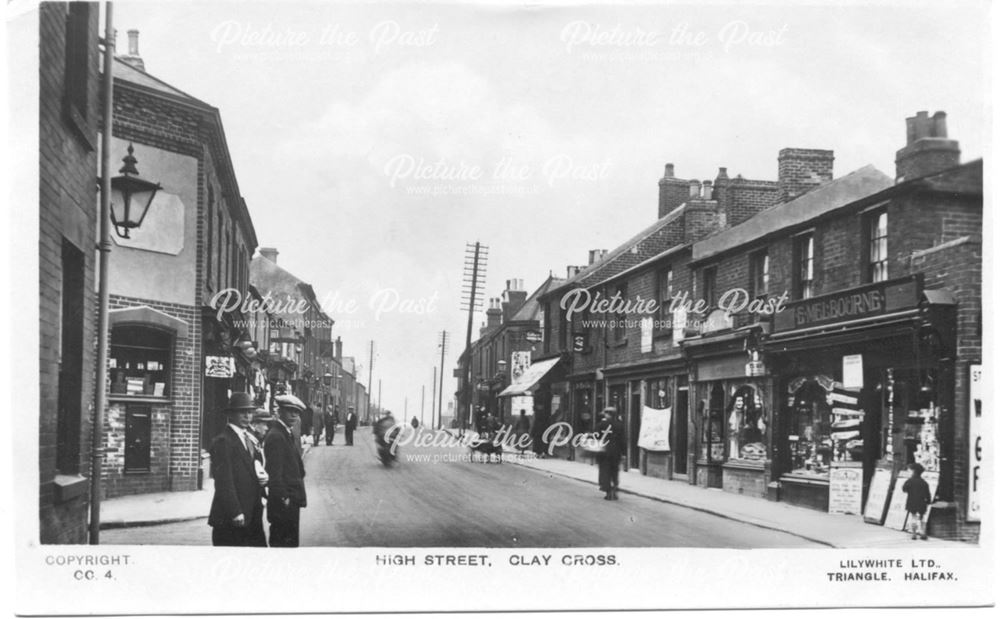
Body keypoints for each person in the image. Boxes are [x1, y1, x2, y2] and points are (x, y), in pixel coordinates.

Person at [207, 392, 268, 546]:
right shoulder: (223, 441)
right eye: (242, 412)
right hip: (233, 517)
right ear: (231, 414)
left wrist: (263, 479)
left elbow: (253, 467)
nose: (247, 416)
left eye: (249, 412)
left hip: (252, 511)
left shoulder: (248, 438)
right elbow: (224, 481)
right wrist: (235, 512)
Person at [264, 394, 308, 547]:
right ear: (280, 411)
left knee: (289, 542)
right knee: (283, 544)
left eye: (297, 412)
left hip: (291, 501)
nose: (294, 415)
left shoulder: (286, 433)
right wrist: (284, 497)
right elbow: (274, 474)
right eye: (290, 411)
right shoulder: (277, 436)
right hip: (284, 503)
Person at [596, 407, 627, 500]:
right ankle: (615, 487)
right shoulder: (619, 425)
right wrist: (624, 453)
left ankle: (608, 491)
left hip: (604, 451)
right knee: (614, 470)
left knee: (605, 471)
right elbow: (623, 440)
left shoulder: (601, 424)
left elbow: (596, 436)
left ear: (608, 414)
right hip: (616, 452)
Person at [902, 462, 932, 540]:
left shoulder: (909, 481)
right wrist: (928, 501)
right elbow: (928, 494)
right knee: (922, 517)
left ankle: (914, 533)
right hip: (922, 502)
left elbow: (904, 489)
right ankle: (923, 533)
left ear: (913, 471)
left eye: (910, 470)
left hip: (912, 501)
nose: (909, 472)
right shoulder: (924, 482)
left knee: (913, 517)